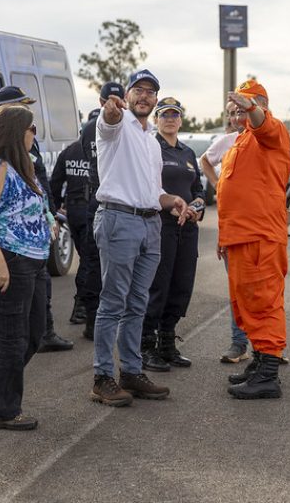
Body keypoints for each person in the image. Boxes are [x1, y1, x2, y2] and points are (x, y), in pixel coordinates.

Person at [90, 69, 189, 407]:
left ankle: (131, 372)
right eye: (138, 90)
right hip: (119, 219)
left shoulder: (151, 140)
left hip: (150, 224)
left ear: (156, 99)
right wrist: (110, 111)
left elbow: (153, 191)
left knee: (137, 304)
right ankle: (102, 377)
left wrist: (172, 200)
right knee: (112, 303)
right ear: (127, 96)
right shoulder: (117, 125)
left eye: (150, 91)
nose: (144, 96)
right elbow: (108, 121)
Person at [200, 100, 290, 365]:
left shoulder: (273, 138)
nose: (237, 117)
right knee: (240, 294)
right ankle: (243, 346)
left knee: (265, 295)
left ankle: (268, 352)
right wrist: (218, 185)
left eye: (241, 111)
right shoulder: (230, 142)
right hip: (235, 234)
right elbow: (207, 164)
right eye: (232, 113)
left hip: (261, 234)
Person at [0, 105, 54, 430]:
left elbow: (33, 206)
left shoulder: (25, 166)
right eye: (32, 129)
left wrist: (49, 221)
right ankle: (3, 412)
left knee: (34, 334)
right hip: (10, 261)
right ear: (18, 131)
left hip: (33, 261)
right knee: (11, 339)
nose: (35, 135)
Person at [0, 86, 72, 353]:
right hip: (12, 253)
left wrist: (48, 214)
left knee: (31, 332)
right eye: (22, 107)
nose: (31, 123)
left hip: (32, 251)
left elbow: (38, 185)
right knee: (13, 341)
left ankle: (45, 333)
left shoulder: (25, 148)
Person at [216, 79, 290, 399]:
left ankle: (268, 375)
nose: (239, 112)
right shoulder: (242, 140)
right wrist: (224, 236)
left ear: (261, 105)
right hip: (240, 237)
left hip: (259, 237)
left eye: (245, 106)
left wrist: (252, 109)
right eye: (235, 108)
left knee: (264, 303)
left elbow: (264, 125)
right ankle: (260, 362)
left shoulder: (272, 131)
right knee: (246, 304)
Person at [141, 97, 205, 373]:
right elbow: (146, 187)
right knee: (158, 286)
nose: (169, 119)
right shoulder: (150, 147)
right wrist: (171, 205)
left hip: (186, 228)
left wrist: (197, 206)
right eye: (164, 114)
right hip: (161, 225)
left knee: (181, 286)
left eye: (174, 115)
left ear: (181, 120)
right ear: (156, 120)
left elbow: (199, 189)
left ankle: (167, 342)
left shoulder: (187, 152)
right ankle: (146, 346)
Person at [79, 82, 125, 340]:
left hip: (106, 199)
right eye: (111, 101)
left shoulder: (89, 128)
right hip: (103, 199)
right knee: (96, 262)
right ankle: (92, 318)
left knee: (105, 262)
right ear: (101, 102)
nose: (115, 106)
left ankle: (100, 317)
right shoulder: (93, 129)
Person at [49, 134, 90, 326]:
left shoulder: (69, 151)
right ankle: (82, 307)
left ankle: (85, 306)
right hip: (91, 210)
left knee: (86, 259)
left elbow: (55, 185)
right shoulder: (99, 149)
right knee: (90, 261)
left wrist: (56, 211)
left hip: (74, 212)